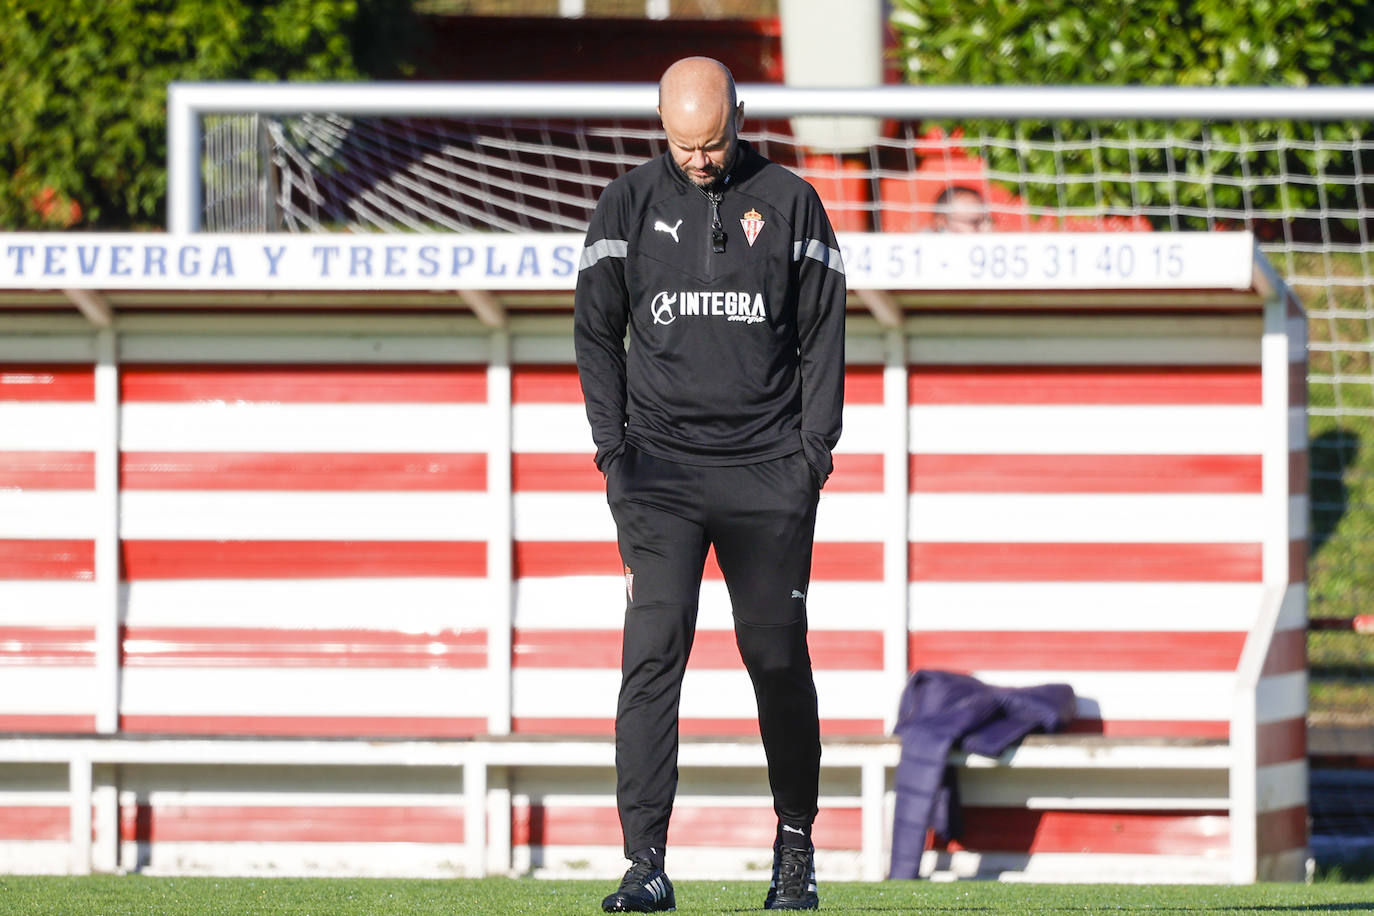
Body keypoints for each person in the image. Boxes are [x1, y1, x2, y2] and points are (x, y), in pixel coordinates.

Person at [573, 56, 846, 912]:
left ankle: (794, 848)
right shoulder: (625, 203)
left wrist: (811, 460)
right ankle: (645, 863)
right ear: (663, 129)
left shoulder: (796, 202)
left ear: (740, 116)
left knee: (775, 655)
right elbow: (594, 333)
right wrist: (615, 457)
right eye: (683, 145)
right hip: (659, 475)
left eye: (714, 141)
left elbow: (823, 342)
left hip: (770, 475)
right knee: (652, 656)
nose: (698, 159)